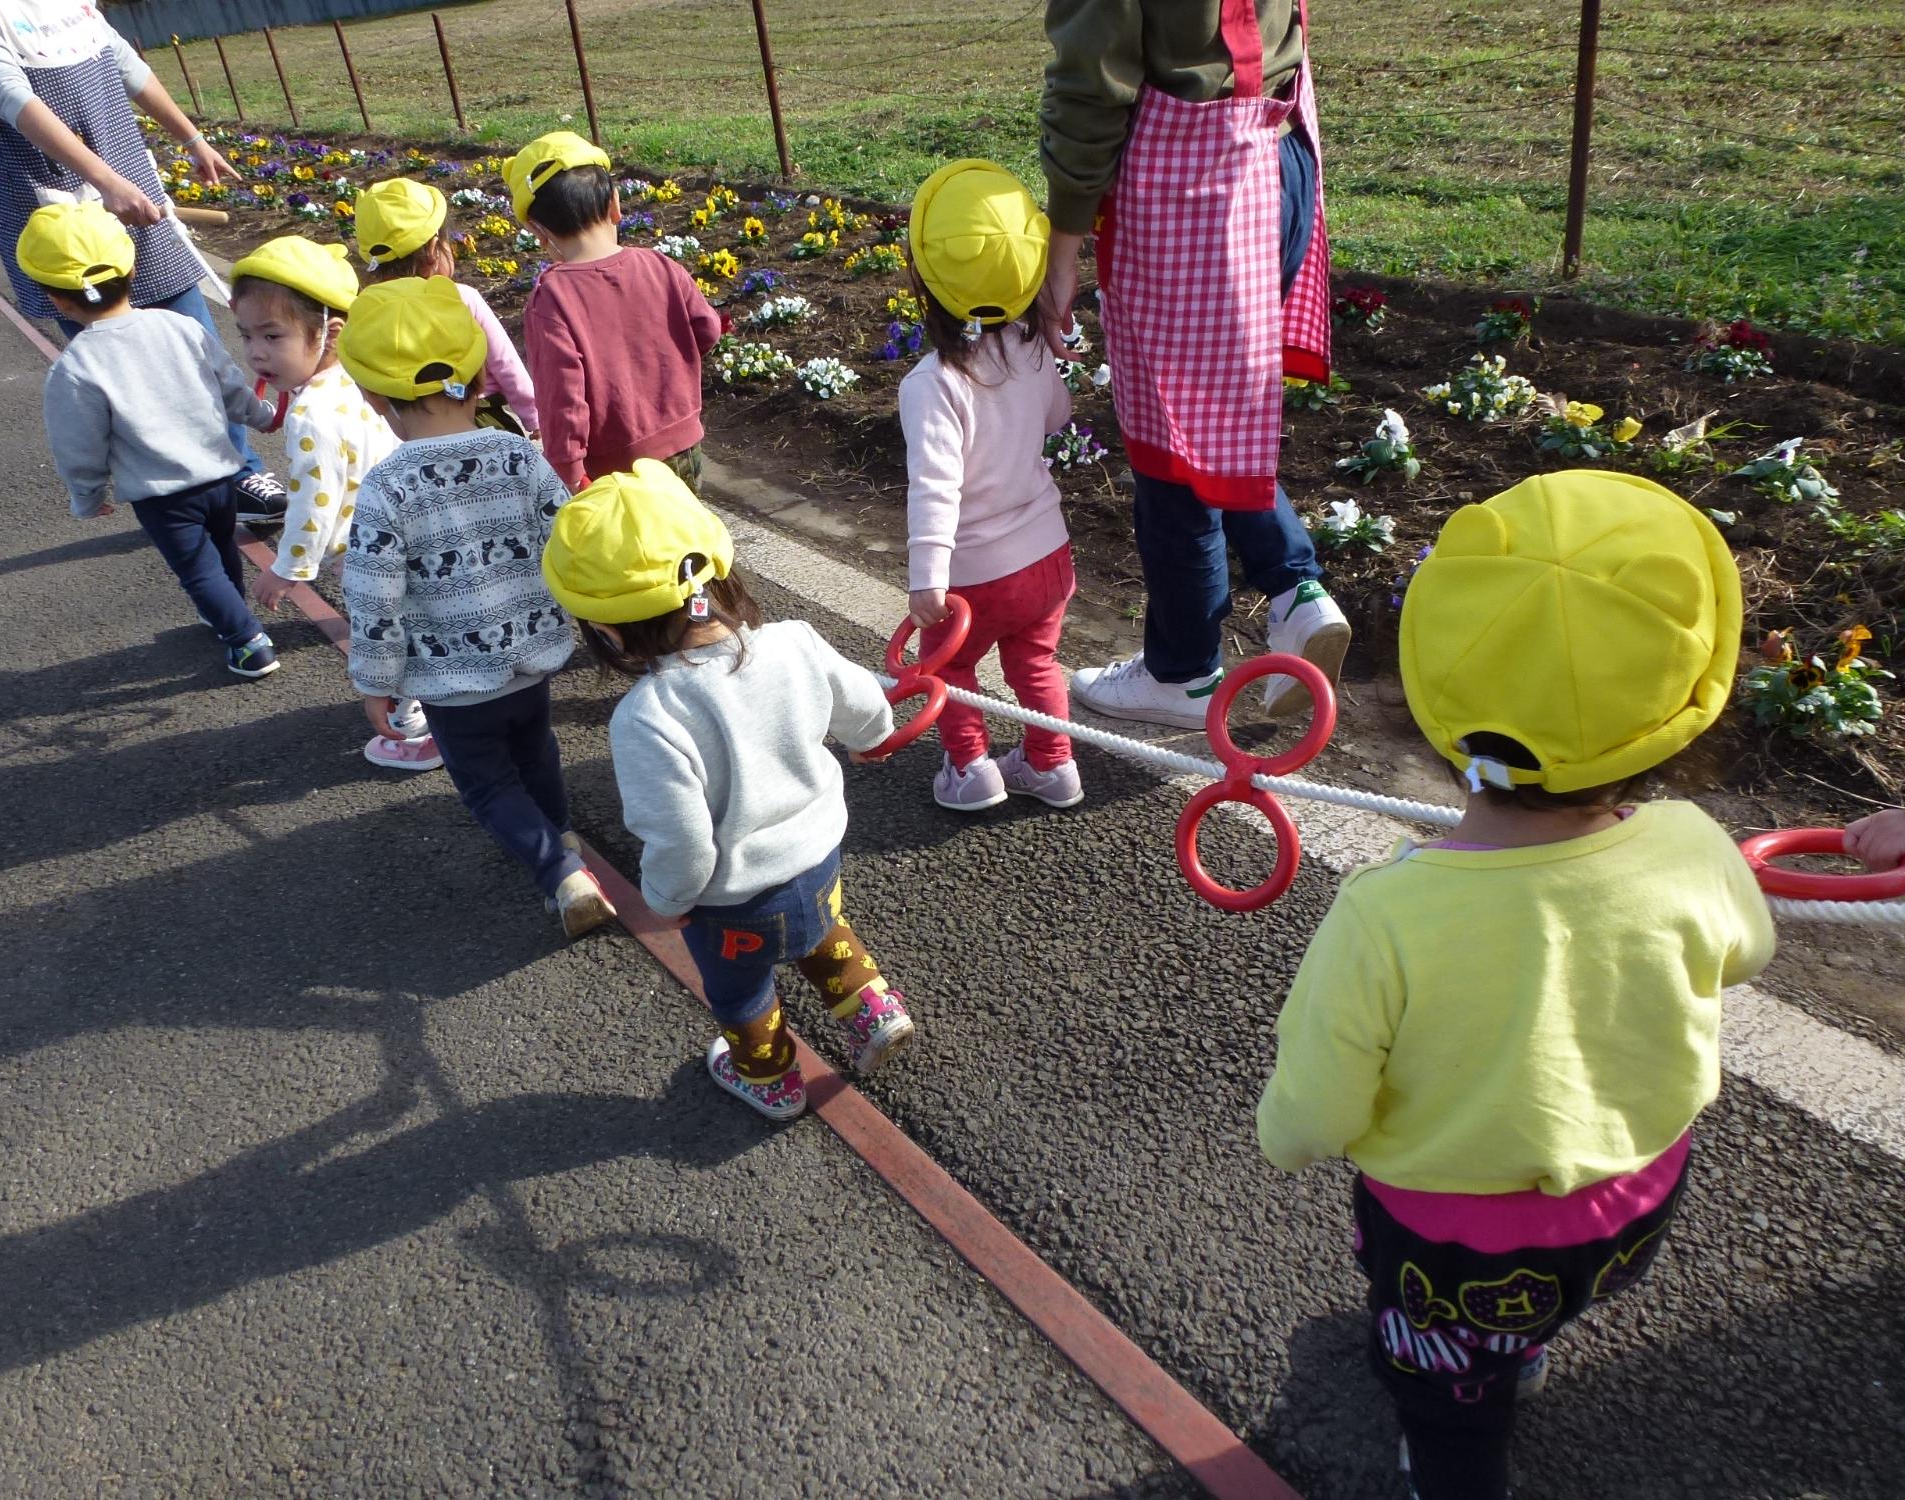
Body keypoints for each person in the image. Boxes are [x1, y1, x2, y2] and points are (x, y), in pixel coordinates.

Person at [1255, 471, 1776, 1500]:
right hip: (1629, 1206)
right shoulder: (1692, 844)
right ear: (1681, 703)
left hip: (1448, 1245)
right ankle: (1521, 1338)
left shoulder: (1384, 913)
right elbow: (1742, 952)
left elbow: (1313, 1109)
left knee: (1444, 1397)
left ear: (1435, 694)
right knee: (1535, 1300)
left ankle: (1460, 1435)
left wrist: (1287, 1138)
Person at [543, 460, 915, 1121]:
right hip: (819, 856)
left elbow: (681, 838)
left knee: (741, 992)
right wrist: (870, 736)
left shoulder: (649, 716)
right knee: (820, 929)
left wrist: (667, 900)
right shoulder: (794, 642)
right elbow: (864, 708)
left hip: (733, 903)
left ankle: (767, 1078)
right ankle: (873, 1008)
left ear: (606, 630)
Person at [1037, 0, 1346, 728]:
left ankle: (1188, 667)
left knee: (1169, 434)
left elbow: (1093, 81)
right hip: (1277, 151)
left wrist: (1064, 246)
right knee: (1214, 415)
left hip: (1193, 184)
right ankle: (1294, 598)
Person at [0, 0, 286, 523]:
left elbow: (120, 58)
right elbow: (4, 90)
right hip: (46, 194)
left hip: (122, 168)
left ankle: (239, 472)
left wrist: (191, 137)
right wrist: (104, 181)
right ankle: (173, 488)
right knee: (113, 361)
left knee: (193, 335)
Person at [338, 275, 614, 937]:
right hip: (533, 654)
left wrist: (375, 681)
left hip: (453, 680)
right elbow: (569, 534)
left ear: (375, 397)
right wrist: (600, 615)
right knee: (535, 748)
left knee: (488, 783)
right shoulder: (519, 455)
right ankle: (560, 834)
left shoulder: (387, 488)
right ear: (477, 375)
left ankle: (558, 871)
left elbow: (373, 595)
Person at [25, 200, 280, 678]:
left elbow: (78, 444)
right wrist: (262, 415)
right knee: (222, 547)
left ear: (57, 299)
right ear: (132, 266)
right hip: (220, 473)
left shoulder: (76, 368)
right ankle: (230, 610)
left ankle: (247, 641)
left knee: (197, 569)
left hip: (163, 494)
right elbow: (229, 385)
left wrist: (87, 496)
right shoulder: (179, 326)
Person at [900, 159, 1082, 813]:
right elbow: (1058, 416)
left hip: (974, 574)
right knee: (1035, 662)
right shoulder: (1031, 350)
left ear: (920, 277)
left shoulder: (932, 384)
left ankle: (973, 769)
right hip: (1046, 556)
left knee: (949, 667)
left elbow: (935, 487)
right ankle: (1051, 764)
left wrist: (928, 577)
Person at [227, 235, 438, 771]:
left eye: (273, 336)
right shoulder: (354, 377)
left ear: (329, 333)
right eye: (246, 335)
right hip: (407, 524)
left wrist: (288, 568)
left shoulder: (308, 416)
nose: (255, 352)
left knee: (386, 632)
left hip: (364, 548)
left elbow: (313, 503)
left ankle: (417, 728)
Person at [505, 131, 722, 493]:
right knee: (689, 540)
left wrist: (568, 470)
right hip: (683, 443)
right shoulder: (659, 264)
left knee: (633, 548)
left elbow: (562, 399)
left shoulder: (552, 298)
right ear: (615, 205)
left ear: (538, 231)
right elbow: (707, 330)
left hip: (613, 469)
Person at [352, 176, 540, 437]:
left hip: (408, 429)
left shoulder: (370, 310)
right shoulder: (462, 298)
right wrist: (535, 418)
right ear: (433, 248)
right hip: (477, 418)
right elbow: (506, 365)